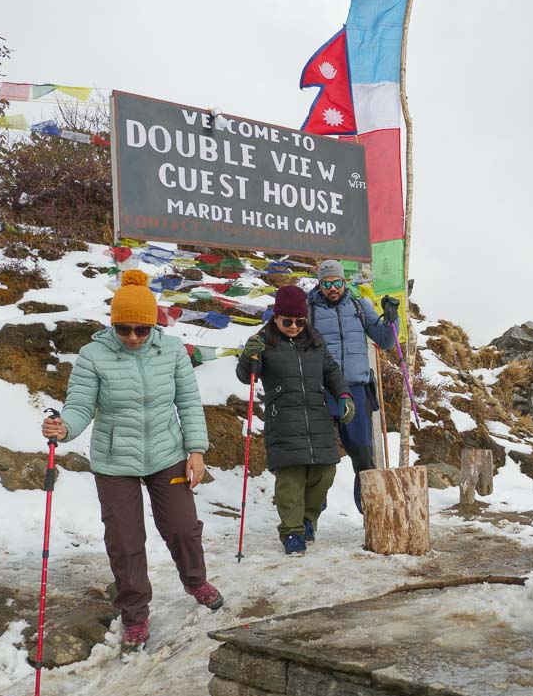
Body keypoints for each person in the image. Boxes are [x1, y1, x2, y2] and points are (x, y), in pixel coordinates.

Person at [40, 269, 222, 652]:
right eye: (124, 330)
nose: (133, 338)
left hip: (166, 454)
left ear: (153, 325)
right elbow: (78, 407)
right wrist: (64, 429)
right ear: (113, 325)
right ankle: (135, 615)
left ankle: (195, 581)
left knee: (183, 526)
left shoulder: (171, 351)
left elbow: (187, 402)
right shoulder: (93, 355)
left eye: (141, 330)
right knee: (125, 541)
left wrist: (197, 451)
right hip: (114, 460)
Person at [237, 285, 354, 556]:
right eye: (287, 321)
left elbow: (331, 371)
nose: (293, 326)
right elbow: (247, 376)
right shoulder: (263, 341)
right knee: (291, 479)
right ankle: (291, 532)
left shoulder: (314, 340)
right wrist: (248, 356)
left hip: (317, 415)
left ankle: (307, 520)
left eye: (299, 321)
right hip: (284, 418)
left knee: (324, 473)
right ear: (276, 318)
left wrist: (344, 394)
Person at [307, 260, 398, 512]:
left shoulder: (360, 306)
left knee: (362, 453)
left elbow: (386, 341)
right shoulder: (308, 309)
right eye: (326, 284)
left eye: (337, 282)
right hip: (323, 390)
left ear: (344, 282)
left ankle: (370, 512)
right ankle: (311, 515)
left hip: (357, 387)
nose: (332, 288)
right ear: (320, 284)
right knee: (320, 455)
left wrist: (392, 319)